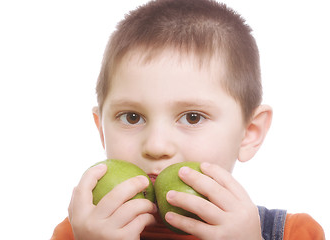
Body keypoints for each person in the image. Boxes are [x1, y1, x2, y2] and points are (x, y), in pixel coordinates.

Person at [51, 0, 325, 239]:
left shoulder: (295, 234)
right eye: (132, 117)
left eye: (192, 117)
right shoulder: (76, 233)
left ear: (249, 132)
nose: (157, 146)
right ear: (102, 131)